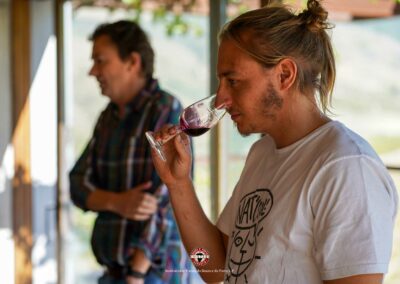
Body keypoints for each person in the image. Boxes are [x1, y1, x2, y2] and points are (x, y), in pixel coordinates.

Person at [150, 1, 398, 283]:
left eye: (233, 81)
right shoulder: (262, 152)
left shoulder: (347, 167)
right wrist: (178, 184)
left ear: (284, 75)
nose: (220, 99)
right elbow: (212, 267)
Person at [69, 20, 193, 284]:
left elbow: (163, 197)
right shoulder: (108, 117)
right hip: (113, 273)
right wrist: (117, 202)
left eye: (101, 61)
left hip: (152, 275)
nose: (92, 71)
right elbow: (76, 184)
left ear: (132, 62)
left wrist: (136, 273)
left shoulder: (164, 108)